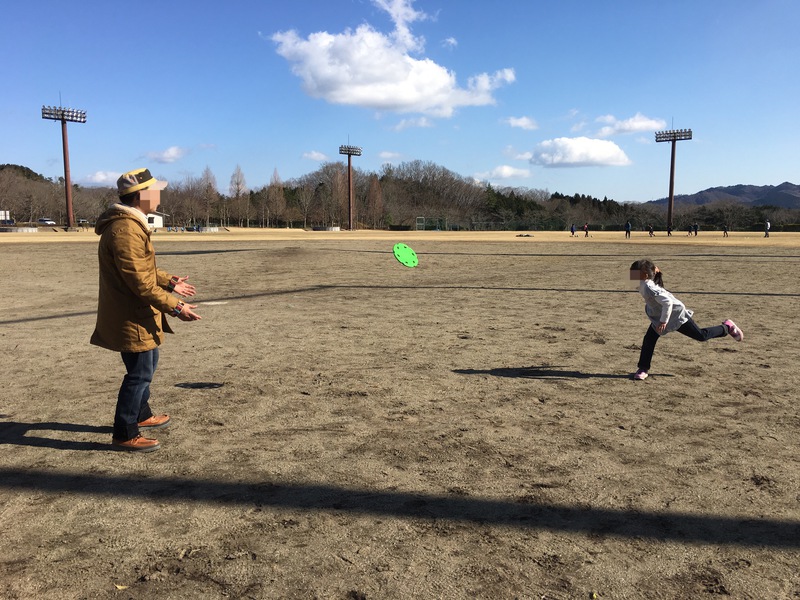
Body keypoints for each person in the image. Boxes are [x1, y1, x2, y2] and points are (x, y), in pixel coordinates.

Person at [91, 168, 201, 452]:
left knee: (146, 366)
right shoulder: (125, 229)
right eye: (155, 190)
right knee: (139, 374)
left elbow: (145, 269)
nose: (159, 195)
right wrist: (176, 307)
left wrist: (170, 280)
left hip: (138, 313)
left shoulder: (132, 224)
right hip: (132, 315)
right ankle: (125, 432)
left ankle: (142, 415)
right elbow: (140, 282)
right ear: (141, 196)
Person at [629, 259, 743, 380]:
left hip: (675, 315)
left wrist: (663, 321)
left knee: (701, 336)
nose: (631, 275)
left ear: (645, 275)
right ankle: (643, 368)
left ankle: (727, 327)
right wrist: (655, 269)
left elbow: (668, 303)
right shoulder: (642, 282)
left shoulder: (649, 287)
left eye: (634, 273)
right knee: (649, 340)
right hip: (659, 315)